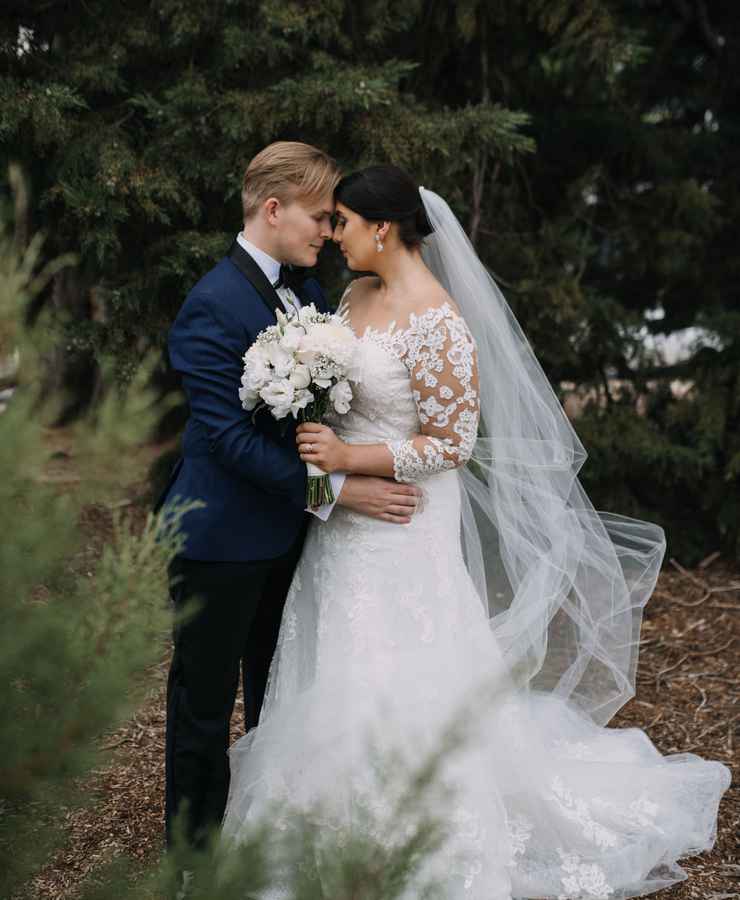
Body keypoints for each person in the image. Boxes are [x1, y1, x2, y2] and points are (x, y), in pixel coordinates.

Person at [221, 165, 731, 899]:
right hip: (344, 528)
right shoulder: (355, 296)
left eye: (343, 223)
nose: (333, 237)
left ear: (382, 228)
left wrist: (350, 459)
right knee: (333, 662)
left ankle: (419, 835)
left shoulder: (439, 321)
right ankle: (320, 827)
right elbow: (333, 411)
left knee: (399, 671)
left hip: (404, 526)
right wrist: (324, 466)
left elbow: (450, 443)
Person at [156, 146, 422, 859]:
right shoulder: (212, 304)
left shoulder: (304, 296)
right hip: (216, 541)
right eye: (320, 217)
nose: (329, 232)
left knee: (278, 702)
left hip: (289, 539)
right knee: (203, 713)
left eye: (338, 220)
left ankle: (258, 841)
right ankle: (191, 862)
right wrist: (339, 488)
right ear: (273, 210)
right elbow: (234, 446)